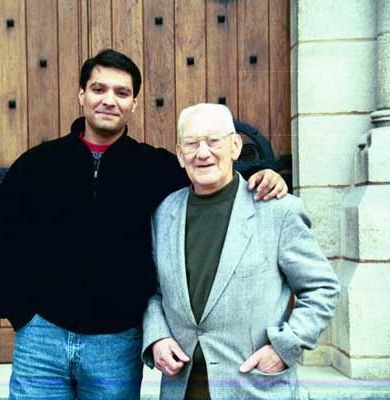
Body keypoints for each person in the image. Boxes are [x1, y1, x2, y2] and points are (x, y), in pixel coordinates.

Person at [0, 50, 287, 400]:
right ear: (82, 95)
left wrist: (259, 180)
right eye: (98, 89)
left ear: (134, 103)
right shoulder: (37, 165)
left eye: (121, 93)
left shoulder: (157, 168)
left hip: (117, 344)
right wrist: (22, 316)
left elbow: (212, 181)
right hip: (42, 339)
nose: (109, 100)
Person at [142, 103, 340, 400]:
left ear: (235, 146)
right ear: (180, 155)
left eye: (214, 141)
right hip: (182, 387)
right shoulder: (164, 212)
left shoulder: (277, 210)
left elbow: (322, 288)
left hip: (253, 387)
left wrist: (285, 347)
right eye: (192, 143)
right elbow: (153, 290)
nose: (203, 152)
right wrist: (157, 337)